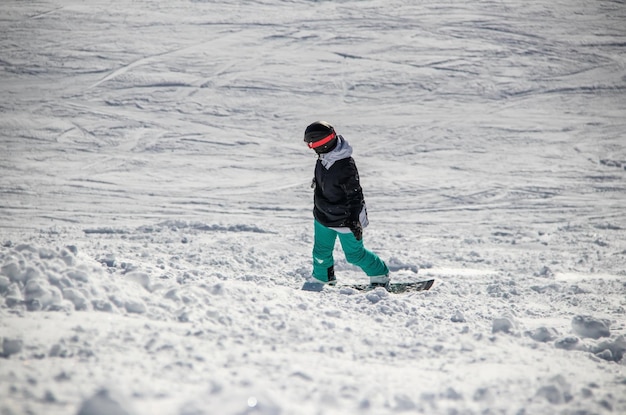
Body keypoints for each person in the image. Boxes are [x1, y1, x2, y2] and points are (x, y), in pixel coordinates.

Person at [303, 121, 390, 288]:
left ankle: (380, 274)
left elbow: (355, 195)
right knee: (321, 252)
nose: (311, 148)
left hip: (346, 217)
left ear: (321, 143)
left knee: (355, 255)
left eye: (311, 144)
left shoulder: (345, 165)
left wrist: (354, 220)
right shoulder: (324, 157)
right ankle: (323, 278)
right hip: (323, 214)